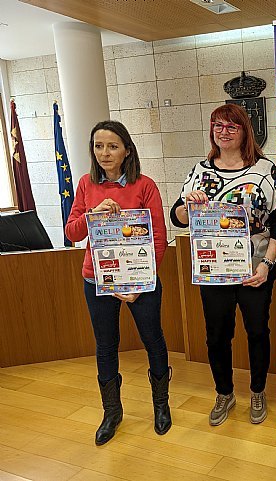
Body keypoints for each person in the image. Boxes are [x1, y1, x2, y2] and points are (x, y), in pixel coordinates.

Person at [170, 103, 276, 425]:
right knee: (217, 336)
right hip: (213, 269)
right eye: (217, 125)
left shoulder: (264, 170)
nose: (223, 131)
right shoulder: (200, 170)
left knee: (257, 331)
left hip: (254, 270)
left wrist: (266, 266)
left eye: (231, 126)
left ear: (245, 130)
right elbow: (176, 217)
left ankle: (258, 391)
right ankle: (224, 393)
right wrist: (186, 207)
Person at [65, 120, 172, 445]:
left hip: (141, 283)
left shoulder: (145, 185)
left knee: (153, 340)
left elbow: (158, 238)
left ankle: (161, 405)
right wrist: (93, 213)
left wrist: (139, 283)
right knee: (105, 345)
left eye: (112, 146)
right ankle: (112, 412)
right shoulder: (86, 184)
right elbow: (72, 233)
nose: (104, 153)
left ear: (127, 150)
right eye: (98, 146)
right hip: (97, 279)